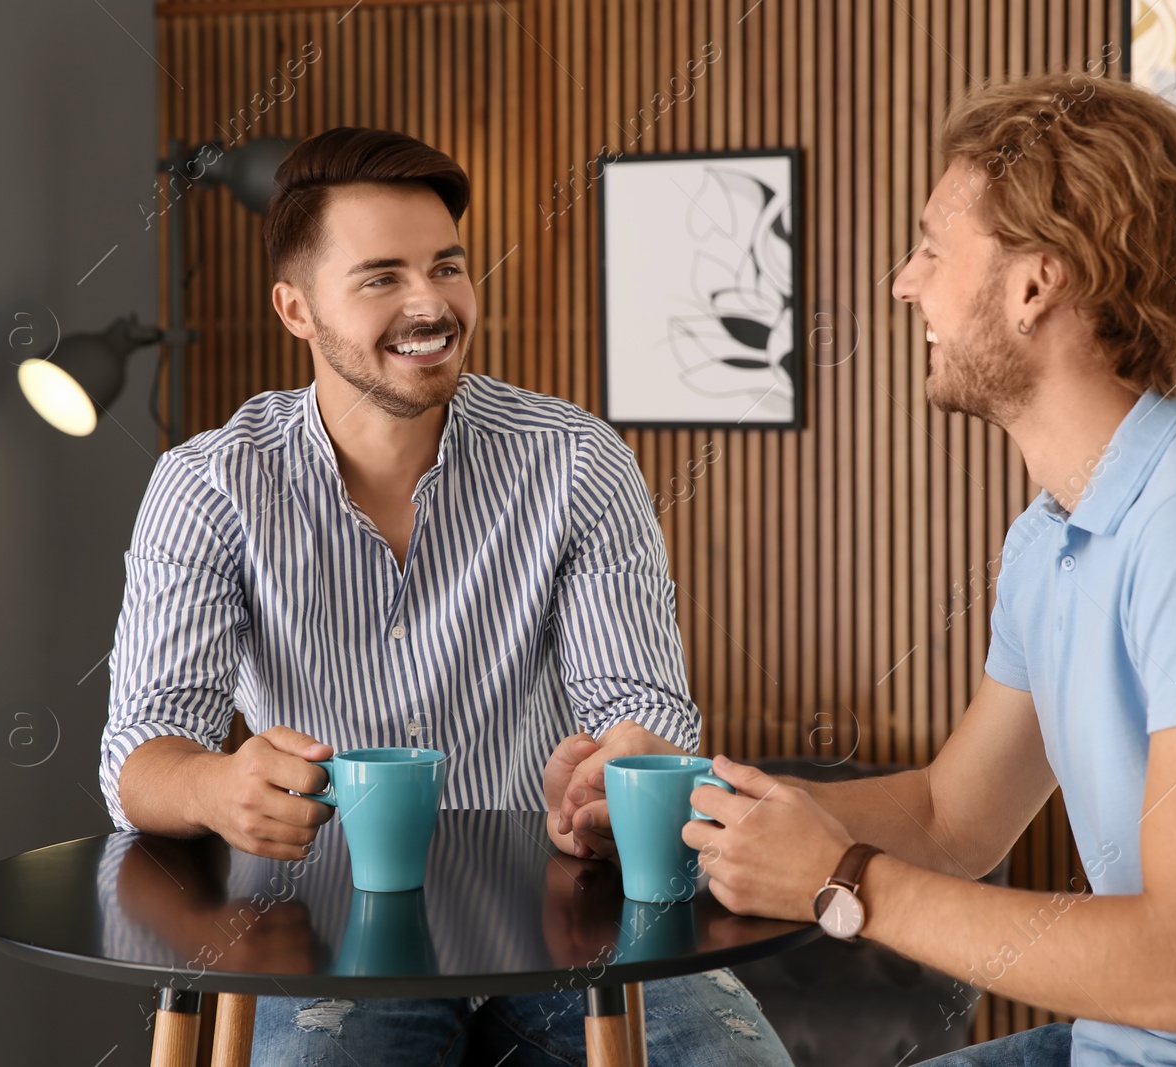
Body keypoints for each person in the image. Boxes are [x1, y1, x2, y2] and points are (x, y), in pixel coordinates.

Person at [665, 71, 1176, 1064]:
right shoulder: (1059, 531)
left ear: (1035, 282)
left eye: (933, 247)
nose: (904, 283)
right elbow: (954, 814)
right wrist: (690, 806)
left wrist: (840, 879)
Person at [98, 126, 792, 1066]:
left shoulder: (577, 459)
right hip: (319, 929)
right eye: (381, 276)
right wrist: (218, 786)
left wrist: (618, 769)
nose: (431, 303)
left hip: (566, 920)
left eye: (448, 266)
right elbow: (140, 751)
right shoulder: (208, 484)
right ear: (295, 308)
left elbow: (642, 705)